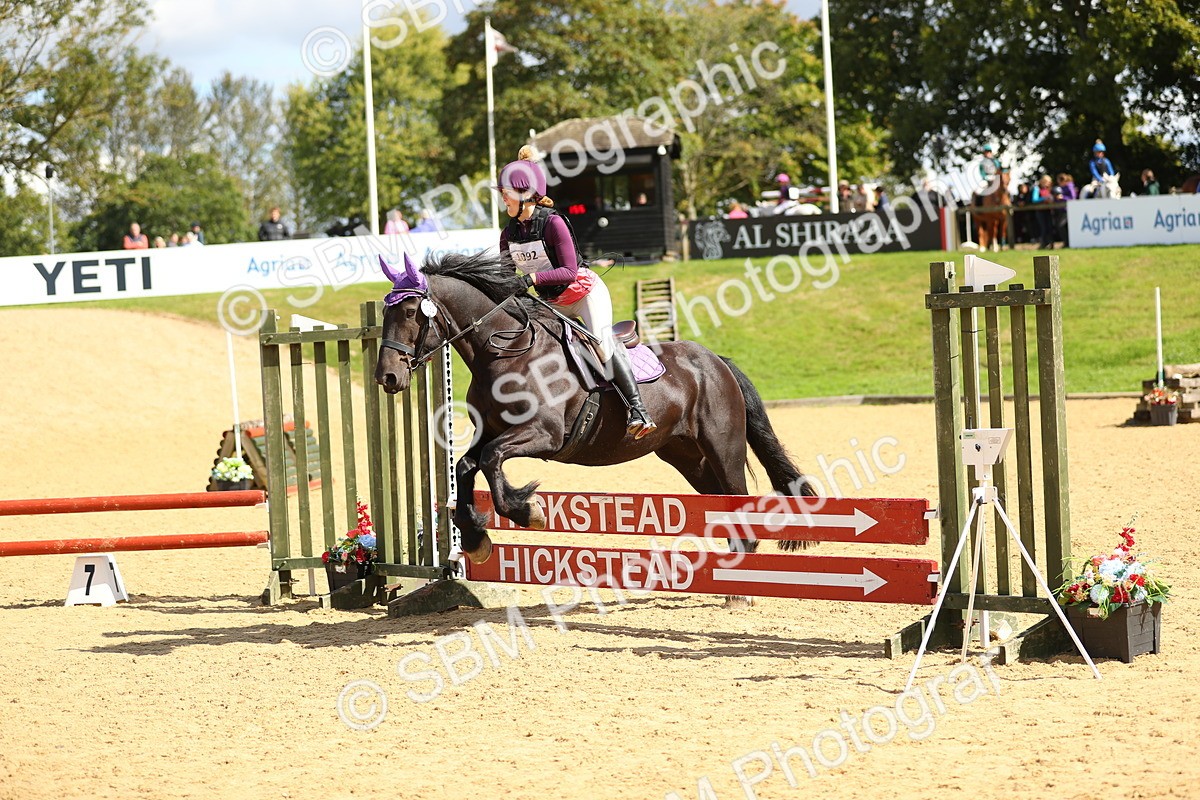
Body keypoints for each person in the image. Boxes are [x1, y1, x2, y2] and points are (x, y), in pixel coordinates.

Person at [496, 151, 656, 439]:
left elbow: (569, 271)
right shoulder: (508, 234)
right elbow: (507, 277)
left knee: (601, 343)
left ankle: (638, 409)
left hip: (583, 295)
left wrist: (531, 278)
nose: (503, 199)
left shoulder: (553, 223)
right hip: (549, 302)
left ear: (525, 194)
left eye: (506, 193)